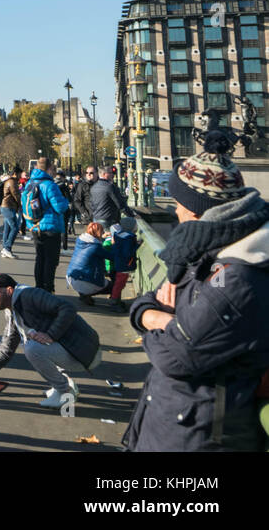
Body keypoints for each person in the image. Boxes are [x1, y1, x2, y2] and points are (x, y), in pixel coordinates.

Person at [123, 130, 269, 451]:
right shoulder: (204, 249)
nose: (175, 212)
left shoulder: (237, 276)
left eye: (178, 204)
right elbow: (150, 303)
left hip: (199, 434)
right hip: (176, 420)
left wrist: (155, 320)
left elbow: (175, 356)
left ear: (196, 209)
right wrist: (155, 316)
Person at [0, 273, 103, 411]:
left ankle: (64, 392)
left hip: (86, 353)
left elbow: (68, 308)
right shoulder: (12, 310)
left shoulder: (29, 295)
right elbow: (6, 349)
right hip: (73, 350)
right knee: (34, 343)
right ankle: (64, 384)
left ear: (9, 290)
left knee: (32, 348)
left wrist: (51, 335)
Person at [25, 157, 70, 294]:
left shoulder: (30, 183)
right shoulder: (50, 185)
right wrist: (65, 199)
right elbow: (60, 207)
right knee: (51, 261)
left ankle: (39, 287)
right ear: (49, 169)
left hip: (34, 225)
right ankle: (48, 289)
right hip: (50, 227)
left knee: (40, 258)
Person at [65, 222, 112, 303]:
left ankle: (84, 294)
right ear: (98, 233)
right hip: (85, 281)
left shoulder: (80, 241)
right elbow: (112, 256)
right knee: (114, 286)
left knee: (85, 275)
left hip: (72, 278)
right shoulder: (96, 247)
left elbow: (94, 242)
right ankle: (87, 294)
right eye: (102, 232)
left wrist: (102, 238)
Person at [101, 220, 138, 310]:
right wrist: (136, 246)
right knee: (119, 284)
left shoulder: (119, 236)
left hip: (119, 264)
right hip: (125, 265)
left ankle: (116, 300)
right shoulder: (128, 237)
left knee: (118, 284)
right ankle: (114, 302)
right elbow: (128, 253)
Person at [89, 165, 133, 232]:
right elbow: (120, 204)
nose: (113, 175)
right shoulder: (110, 187)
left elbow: (91, 204)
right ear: (104, 174)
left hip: (96, 219)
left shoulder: (94, 187)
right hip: (108, 219)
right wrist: (130, 214)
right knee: (110, 240)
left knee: (100, 239)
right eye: (110, 173)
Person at [0, 172, 22, 259]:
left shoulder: (9, 181)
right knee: (15, 228)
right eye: (20, 174)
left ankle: (5, 249)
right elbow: (16, 194)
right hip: (8, 206)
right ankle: (7, 248)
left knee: (7, 228)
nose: (20, 177)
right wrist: (20, 205)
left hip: (6, 206)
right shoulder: (12, 182)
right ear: (15, 174)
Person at [71, 166, 97, 242]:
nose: (89, 174)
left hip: (99, 217)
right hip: (88, 218)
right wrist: (84, 212)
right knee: (89, 241)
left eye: (91, 173)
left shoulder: (99, 184)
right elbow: (77, 200)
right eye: (87, 173)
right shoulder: (82, 185)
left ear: (96, 174)